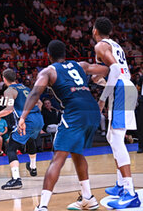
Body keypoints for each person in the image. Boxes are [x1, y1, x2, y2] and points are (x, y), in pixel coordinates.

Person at [18, 40, 108, 211]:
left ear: (48, 55)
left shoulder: (48, 71)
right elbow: (106, 69)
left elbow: (35, 93)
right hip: (93, 110)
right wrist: (97, 77)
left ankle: (42, 206)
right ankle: (88, 197)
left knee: (57, 158)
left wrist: (23, 117)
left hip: (75, 112)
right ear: (65, 54)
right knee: (76, 152)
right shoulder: (80, 65)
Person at [92, 17, 141, 209]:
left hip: (121, 89)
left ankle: (129, 192)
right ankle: (121, 184)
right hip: (124, 87)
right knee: (113, 137)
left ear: (95, 30)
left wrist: (103, 97)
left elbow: (114, 69)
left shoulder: (100, 46)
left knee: (118, 139)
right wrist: (100, 79)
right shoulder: (115, 44)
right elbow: (115, 70)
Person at [0, 69, 44, 190]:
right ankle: (32, 167)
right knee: (29, 140)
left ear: (4, 79)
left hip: (27, 120)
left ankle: (16, 179)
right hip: (39, 118)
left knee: (11, 147)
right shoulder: (25, 88)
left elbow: (8, 109)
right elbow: (40, 103)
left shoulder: (9, 90)